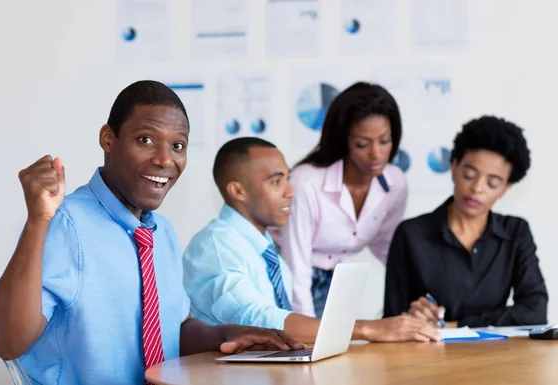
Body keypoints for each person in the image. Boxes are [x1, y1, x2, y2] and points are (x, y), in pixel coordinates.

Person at [0, 81, 304, 385]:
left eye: (177, 145)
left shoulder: (161, 233)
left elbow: (171, 330)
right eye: (145, 140)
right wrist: (37, 220)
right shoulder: (64, 222)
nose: (165, 159)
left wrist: (226, 334)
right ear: (108, 139)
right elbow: (9, 342)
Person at [182, 137, 439, 344]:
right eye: (276, 181)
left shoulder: (263, 247)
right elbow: (259, 321)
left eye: (287, 178)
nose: (290, 191)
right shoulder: (216, 247)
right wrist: (368, 329)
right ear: (238, 191)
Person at [383, 116, 548, 327]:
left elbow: (535, 310)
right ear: (454, 167)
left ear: (506, 187)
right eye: (470, 174)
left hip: (499, 358)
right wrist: (414, 318)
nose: (477, 188)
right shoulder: (411, 234)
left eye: (492, 182)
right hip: (428, 357)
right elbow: (391, 320)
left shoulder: (516, 231)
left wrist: (456, 325)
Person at [277, 82, 407, 318]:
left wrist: (418, 291)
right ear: (344, 139)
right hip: (285, 274)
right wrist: (303, 331)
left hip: (333, 278)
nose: (376, 154)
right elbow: (295, 265)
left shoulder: (395, 183)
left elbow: (386, 245)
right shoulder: (306, 183)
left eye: (384, 141)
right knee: (306, 348)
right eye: (362, 144)